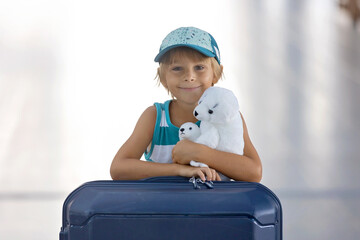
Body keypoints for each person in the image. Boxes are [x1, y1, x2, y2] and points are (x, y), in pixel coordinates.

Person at [110, 27, 262, 182]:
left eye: (199, 67)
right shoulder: (154, 117)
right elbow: (119, 169)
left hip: (212, 206)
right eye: (177, 68)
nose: (189, 77)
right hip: (160, 206)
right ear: (163, 78)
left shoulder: (226, 116)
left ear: (216, 74)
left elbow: (254, 173)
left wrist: (200, 153)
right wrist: (180, 170)